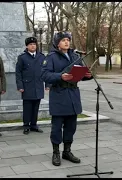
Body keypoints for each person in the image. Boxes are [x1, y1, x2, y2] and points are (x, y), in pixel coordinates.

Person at [41, 32, 93, 166]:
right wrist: (60, 76)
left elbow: (80, 73)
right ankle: (56, 152)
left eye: (68, 40)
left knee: (71, 127)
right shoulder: (51, 57)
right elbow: (45, 75)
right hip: (59, 95)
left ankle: (67, 151)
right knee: (57, 127)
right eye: (63, 40)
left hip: (73, 95)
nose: (66, 42)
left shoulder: (75, 56)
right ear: (57, 43)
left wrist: (87, 75)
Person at [16, 37, 49, 135]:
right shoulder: (22, 57)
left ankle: (34, 125)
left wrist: (47, 84)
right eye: (30, 44)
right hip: (27, 86)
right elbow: (18, 72)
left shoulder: (41, 56)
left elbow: (46, 71)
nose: (33, 46)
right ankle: (26, 125)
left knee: (36, 107)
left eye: (34, 44)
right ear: (27, 46)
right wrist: (20, 86)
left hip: (38, 85)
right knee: (27, 107)